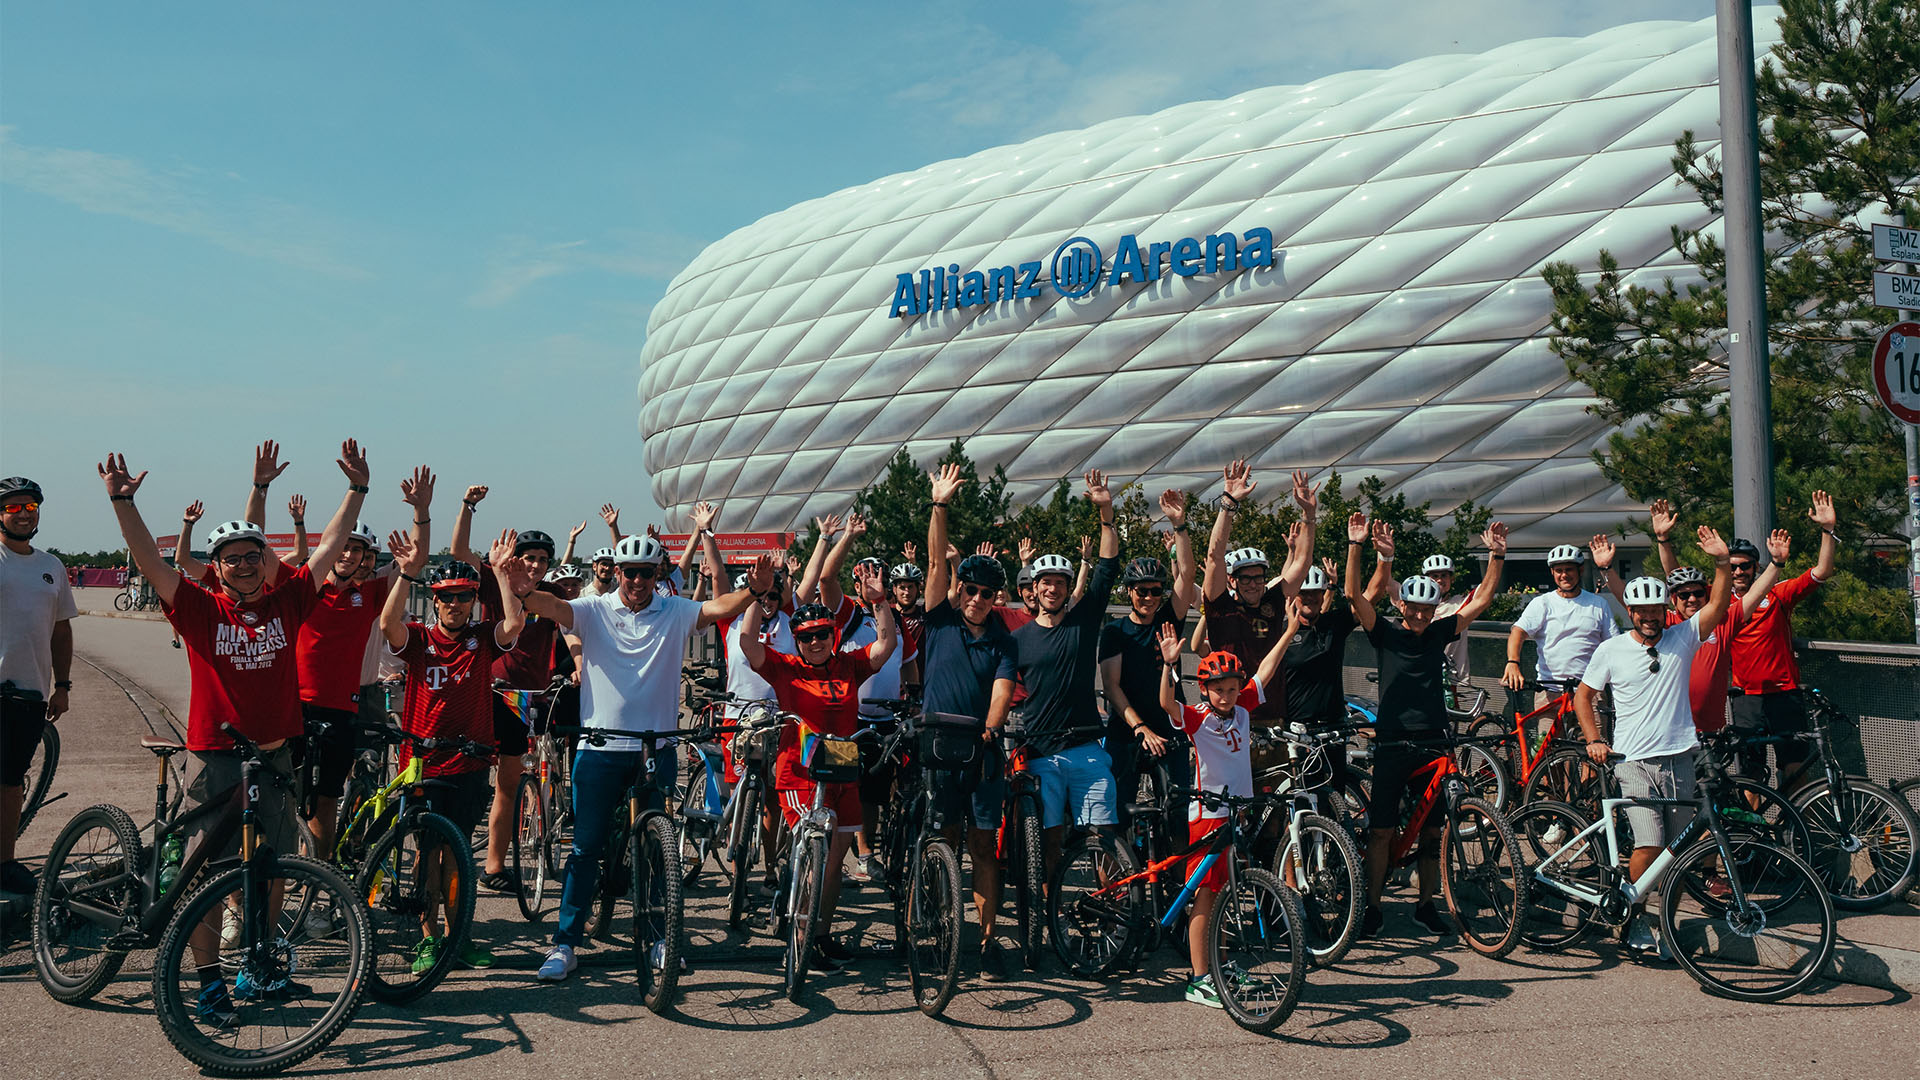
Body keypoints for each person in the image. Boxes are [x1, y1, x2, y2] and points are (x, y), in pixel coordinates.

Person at [98, 443, 367, 1018]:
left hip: (275, 756)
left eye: (252, 556)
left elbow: (329, 550)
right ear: (215, 566)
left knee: (271, 867)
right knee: (209, 876)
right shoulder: (199, 610)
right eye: (232, 558)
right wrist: (124, 502)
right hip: (217, 755)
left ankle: (258, 966)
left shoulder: (287, 602)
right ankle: (209, 982)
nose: (244, 565)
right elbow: (149, 561)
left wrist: (357, 491)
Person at [514, 527, 769, 984]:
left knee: (656, 850)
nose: (636, 581)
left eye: (646, 574)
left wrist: (753, 589)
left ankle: (659, 939)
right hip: (600, 747)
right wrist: (521, 590)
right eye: (629, 572)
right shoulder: (594, 609)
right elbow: (553, 608)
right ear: (615, 572)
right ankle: (565, 943)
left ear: (658, 575)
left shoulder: (673, 610)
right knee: (586, 849)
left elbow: (716, 608)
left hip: (656, 748)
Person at [1345, 512, 1507, 939]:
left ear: (1434, 610)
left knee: (1433, 831)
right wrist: (1362, 548)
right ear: (1401, 605)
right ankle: (1374, 908)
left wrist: (1496, 556)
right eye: (1412, 607)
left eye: (1426, 609)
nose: (1418, 614)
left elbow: (1482, 601)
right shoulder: (1385, 633)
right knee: (1381, 832)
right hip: (1394, 742)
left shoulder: (1439, 633)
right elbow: (1353, 596)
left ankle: (1426, 905)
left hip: (1435, 740)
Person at [1575, 527, 1734, 955]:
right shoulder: (1611, 649)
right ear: (1629, 609)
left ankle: (1666, 920)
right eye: (1640, 610)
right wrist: (1594, 739)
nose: (1649, 617)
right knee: (1651, 844)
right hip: (1633, 760)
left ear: (1666, 610)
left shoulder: (1683, 637)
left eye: (1655, 610)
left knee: (1678, 854)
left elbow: (1718, 604)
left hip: (1680, 757)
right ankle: (1636, 917)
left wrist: (1722, 562)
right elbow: (1584, 697)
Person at [378, 531, 527, 971]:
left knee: (459, 853)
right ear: (435, 601)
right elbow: (388, 626)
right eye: (446, 597)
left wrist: (500, 573)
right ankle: (429, 939)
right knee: (428, 854)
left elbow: (514, 625)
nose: (455, 604)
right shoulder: (421, 640)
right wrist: (407, 574)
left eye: (463, 596)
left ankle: (459, 936)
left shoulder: (482, 637)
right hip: (423, 764)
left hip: (471, 760)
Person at [741, 564, 896, 971]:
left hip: (844, 768)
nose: (814, 642)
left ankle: (819, 933)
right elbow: (747, 643)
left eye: (822, 634)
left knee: (831, 868)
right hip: (800, 773)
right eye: (806, 637)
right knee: (813, 850)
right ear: (797, 639)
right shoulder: (785, 668)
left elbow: (885, 645)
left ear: (835, 635)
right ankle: (798, 930)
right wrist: (759, 598)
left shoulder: (849, 665)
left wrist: (878, 601)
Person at [1154, 626, 1288, 1008]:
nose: (1226, 696)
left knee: (1226, 895)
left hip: (1237, 814)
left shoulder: (1243, 707)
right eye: (1218, 689)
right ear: (1205, 690)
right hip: (1209, 816)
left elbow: (1266, 670)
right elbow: (1167, 704)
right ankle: (1199, 979)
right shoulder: (1197, 718)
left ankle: (1221, 965)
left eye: (1231, 688)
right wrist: (1169, 664)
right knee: (1206, 895)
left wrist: (1290, 630)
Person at [922, 462, 1019, 980]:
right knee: (944, 835)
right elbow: (937, 562)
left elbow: (1002, 691)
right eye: (971, 590)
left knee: (983, 844)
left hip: (981, 751)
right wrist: (940, 506)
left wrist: (990, 726)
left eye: (987, 593)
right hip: (938, 744)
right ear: (960, 589)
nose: (977, 599)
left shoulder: (1003, 639)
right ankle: (941, 923)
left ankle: (985, 940)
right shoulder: (939, 619)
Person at [1009, 468, 1123, 886]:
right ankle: (1048, 911)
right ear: (1033, 589)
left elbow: (1108, 567)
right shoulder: (1017, 640)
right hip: (1039, 751)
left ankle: (1111, 904)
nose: (1053, 589)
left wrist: (1105, 510)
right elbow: (998, 688)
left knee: (1102, 837)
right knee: (1049, 838)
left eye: (1059, 583)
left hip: (1087, 749)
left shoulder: (1083, 623)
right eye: (1045, 583)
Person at [1724, 492, 1839, 788]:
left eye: (1745, 566)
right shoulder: (1718, 601)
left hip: (1784, 693)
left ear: (1755, 567)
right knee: (1751, 775)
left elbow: (1822, 572)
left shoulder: (1779, 593)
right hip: (1745, 696)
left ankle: (1799, 833)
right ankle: (1755, 834)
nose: (1738, 572)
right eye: (1732, 566)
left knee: (1796, 770)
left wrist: (1827, 530)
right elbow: (1677, 583)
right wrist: (1663, 541)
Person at [1647, 498, 1789, 735]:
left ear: (1708, 595)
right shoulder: (1668, 623)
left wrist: (1776, 563)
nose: (1692, 599)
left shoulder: (1723, 622)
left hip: (1711, 730)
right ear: (1674, 600)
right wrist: (1662, 539)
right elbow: (1675, 579)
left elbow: (1755, 594)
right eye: (1684, 596)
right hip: (1672, 729)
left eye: (1699, 593)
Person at [1099, 489, 1198, 823]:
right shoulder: (1115, 632)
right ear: (1129, 592)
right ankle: (1117, 873)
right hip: (1128, 731)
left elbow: (1187, 575)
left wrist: (1179, 525)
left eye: (1156, 590)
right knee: (1117, 817)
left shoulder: (1169, 618)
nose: (1149, 597)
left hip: (1170, 730)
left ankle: (1173, 876)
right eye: (1142, 591)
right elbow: (1112, 687)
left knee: (1176, 812)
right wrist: (1139, 727)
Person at [0, 477, 77, 895]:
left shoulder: (51, 566)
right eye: (14, 507)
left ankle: (5, 862)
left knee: (11, 781)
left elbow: (61, 630)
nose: (24, 513)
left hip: (30, 691)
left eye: (30, 506)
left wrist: (62, 685)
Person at [1200, 461, 1318, 726]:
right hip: (1228, 718)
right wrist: (1228, 505)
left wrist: (1309, 516)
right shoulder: (1220, 605)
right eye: (1245, 579)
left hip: (1273, 718)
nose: (1253, 585)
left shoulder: (1273, 600)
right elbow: (1214, 555)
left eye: (1259, 578)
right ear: (1232, 580)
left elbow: (1302, 563)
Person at [1502, 539, 1625, 701]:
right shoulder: (1542, 603)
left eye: (1569, 569)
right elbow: (1518, 632)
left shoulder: (1598, 604)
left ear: (1580, 570)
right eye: (1558, 570)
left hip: (1589, 690)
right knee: (1548, 727)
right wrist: (1513, 662)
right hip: (1549, 688)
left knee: (1593, 727)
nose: (1564, 575)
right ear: (1552, 572)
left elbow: (1613, 644)